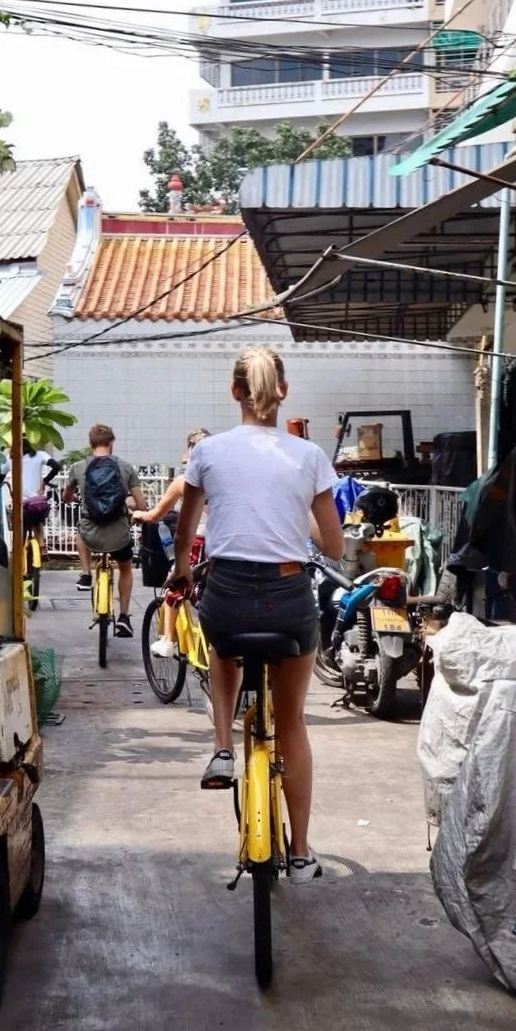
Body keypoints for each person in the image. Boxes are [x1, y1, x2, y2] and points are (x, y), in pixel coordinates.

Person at [171, 347, 343, 883]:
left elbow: (186, 526)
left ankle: (222, 747)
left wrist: (181, 567)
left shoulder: (209, 452)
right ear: (282, 392)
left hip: (227, 591)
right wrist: (298, 521)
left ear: (234, 392)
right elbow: (334, 546)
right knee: (291, 722)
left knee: (222, 649)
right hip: (290, 596)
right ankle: (301, 851)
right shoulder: (309, 456)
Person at [133, 427, 210, 658]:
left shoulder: (183, 481)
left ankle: (167, 640)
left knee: (174, 585)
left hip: (197, 542)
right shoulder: (225, 477)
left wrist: (140, 515)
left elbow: (156, 514)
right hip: (223, 545)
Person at [63, 423, 146, 636]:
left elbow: (66, 497)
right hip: (118, 535)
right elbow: (142, 504)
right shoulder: (125, 468)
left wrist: (76, 498)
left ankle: (85, 574)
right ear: (111, 444)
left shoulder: (78, 468)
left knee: (79, 532)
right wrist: (130, 505)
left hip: (91, 534)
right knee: (125, 569)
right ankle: (124, 617)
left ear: (90, 444)